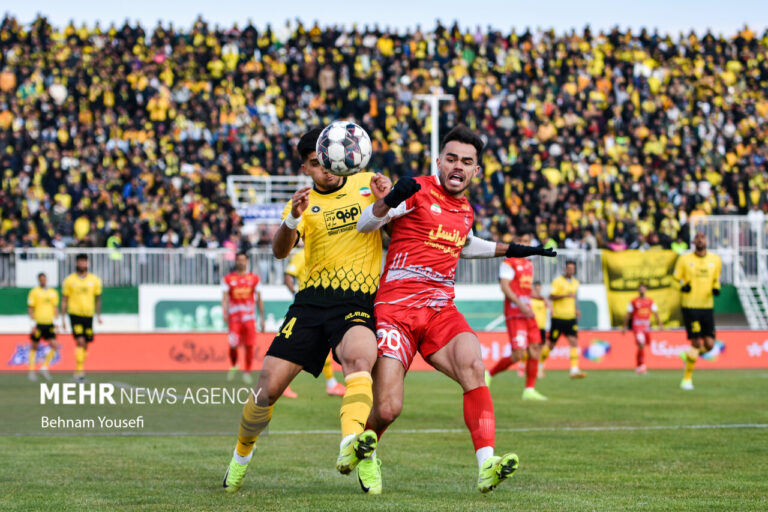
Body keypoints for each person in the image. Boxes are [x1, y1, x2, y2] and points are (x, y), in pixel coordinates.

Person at [356, 125, 555, 494]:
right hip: (396, 310)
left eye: (466, 161)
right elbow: (365, 223)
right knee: (387, 409)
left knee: (473, 366)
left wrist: (514, 249)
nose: (458, 166)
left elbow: (465, 244)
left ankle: (486, 464)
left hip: (439, 310)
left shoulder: (465, 209)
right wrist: (388, 200)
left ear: (476, 170)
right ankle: (366, 453)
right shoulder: (415, 189)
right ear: (439, 161)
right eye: (451, 159)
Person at [222, 127, 392, 493]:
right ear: (306, 167)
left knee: (360, 360)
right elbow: (280, 251)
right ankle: (239, 458)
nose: (327, 169)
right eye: (317, 163)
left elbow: (394, 233)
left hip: (357, 300)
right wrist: (292, 220)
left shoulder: (367, 183)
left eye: (331, 160)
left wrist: (388, 202)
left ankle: (357, 450)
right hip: (311, 303)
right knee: (266, 389)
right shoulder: (301, 203)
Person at [485, 227, 547, 400]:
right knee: (517, 355)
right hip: (515, 313)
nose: (524, 244)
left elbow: (526, 291)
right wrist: (521, 305)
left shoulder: (529, 264)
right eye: (521, 241)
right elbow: (505, 287)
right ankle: (489, 373)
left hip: (528, 312)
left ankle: (529, 390)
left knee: (535, 350)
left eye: (527, 242)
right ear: (515, 242)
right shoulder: (509, 262)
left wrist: (542, 298)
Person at [284, 249, 346, 396]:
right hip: (307, 306)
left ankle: (331, 384)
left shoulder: (325, 252)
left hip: (322, 305)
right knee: (295, 345)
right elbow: (288, 275)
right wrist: (295, 293)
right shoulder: (301, 255)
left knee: (321, 345)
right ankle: (283, 383)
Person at [674, 231, 722, 390]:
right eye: (697, 238)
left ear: (706, 240)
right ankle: (686, 379)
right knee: (695, 342)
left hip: (707, 306)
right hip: (690, 306)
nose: (700, 240)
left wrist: (716, 288)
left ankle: (688, 356)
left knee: (709, 344)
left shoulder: (715, 260)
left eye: (703, 237)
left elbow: (716, 280)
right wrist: (682, 286)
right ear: (693, 241)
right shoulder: (685, 259)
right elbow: (674, 280)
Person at [222, 251, 266, 385]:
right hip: (234, 319)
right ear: (236, 261)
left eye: (243, 260)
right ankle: (234, 364)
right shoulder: (228, 279)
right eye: (238, 260)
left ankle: (247, 372)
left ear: (247, 262)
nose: (241, 262)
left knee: (249, 346)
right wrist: (224, 311)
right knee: (233, 345)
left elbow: (259, 299)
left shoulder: (254, 278)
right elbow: (224, 297)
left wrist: (262, 318)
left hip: (249, 318)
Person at [539, 260, 586, 378]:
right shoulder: (558, 281)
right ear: (565, 269)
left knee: (574, 342)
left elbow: (575, 298)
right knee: (551, 345)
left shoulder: (575, 282)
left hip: (570, 317)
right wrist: (565, 295)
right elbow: (551, 296)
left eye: (572, 268)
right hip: (558, 317)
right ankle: (539, 364)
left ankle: (574, 369)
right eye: (568, 268)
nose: (570, 270)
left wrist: (576, 309)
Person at [61, 254, 103, 382]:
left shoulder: (94, 280)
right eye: (80, 262)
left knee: (86, 343)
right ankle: (79, 373)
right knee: (80, 341)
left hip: (88, 315)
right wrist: (62, 318)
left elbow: (98, 299)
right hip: (75, 314)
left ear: (87, 263)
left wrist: (98, 315)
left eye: (84, 262)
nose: (82, 264)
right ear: (76, 263)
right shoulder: (69, 280)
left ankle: (79, 371)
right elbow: (64, 299)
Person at [27, 272, 60, 381]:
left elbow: (55, 308)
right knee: (34, 346)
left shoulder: (53, 293)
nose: (43, 281)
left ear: (46, 280)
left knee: (54, 345)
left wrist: (56, 322)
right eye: (41, 279)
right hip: (38, 323)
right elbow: (30, 308)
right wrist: (32, 324)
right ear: (38, 280)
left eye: (44, 279)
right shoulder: (34, 292)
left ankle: (44, 367)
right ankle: (31, 371)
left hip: (49, 323)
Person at [622, 283, 661, 375]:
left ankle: (639, 365)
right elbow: (628, 314)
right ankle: (641, 366)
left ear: (646, 290)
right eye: (640, 289)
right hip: (637, 326)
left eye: (644, 288)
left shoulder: (650, 301)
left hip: (646, 327)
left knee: (643, 346)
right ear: (638, 290)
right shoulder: (634, 301)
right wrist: (624, 326)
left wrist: (660, 324)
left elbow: (655, 313)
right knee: (641, 344)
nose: (642, 290)